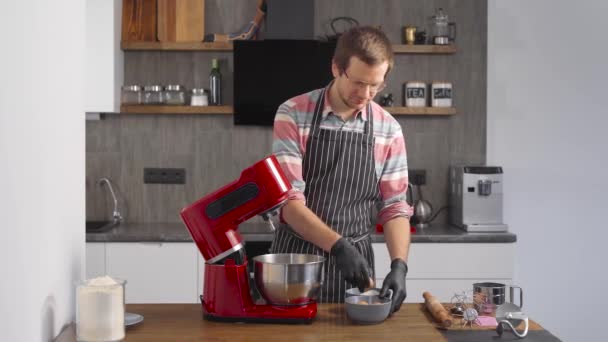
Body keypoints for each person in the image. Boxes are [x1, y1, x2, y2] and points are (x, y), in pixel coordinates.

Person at [270, 26, 412, 314]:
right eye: (358, 82)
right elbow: (288, 203)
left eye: (375, 85)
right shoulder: (294, 113)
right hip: (296, 262)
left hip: (356, 266)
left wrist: (399, 264)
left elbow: (394, 207)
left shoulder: (388, 129)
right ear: (336, 68)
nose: (365, 94)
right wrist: (337, 246)